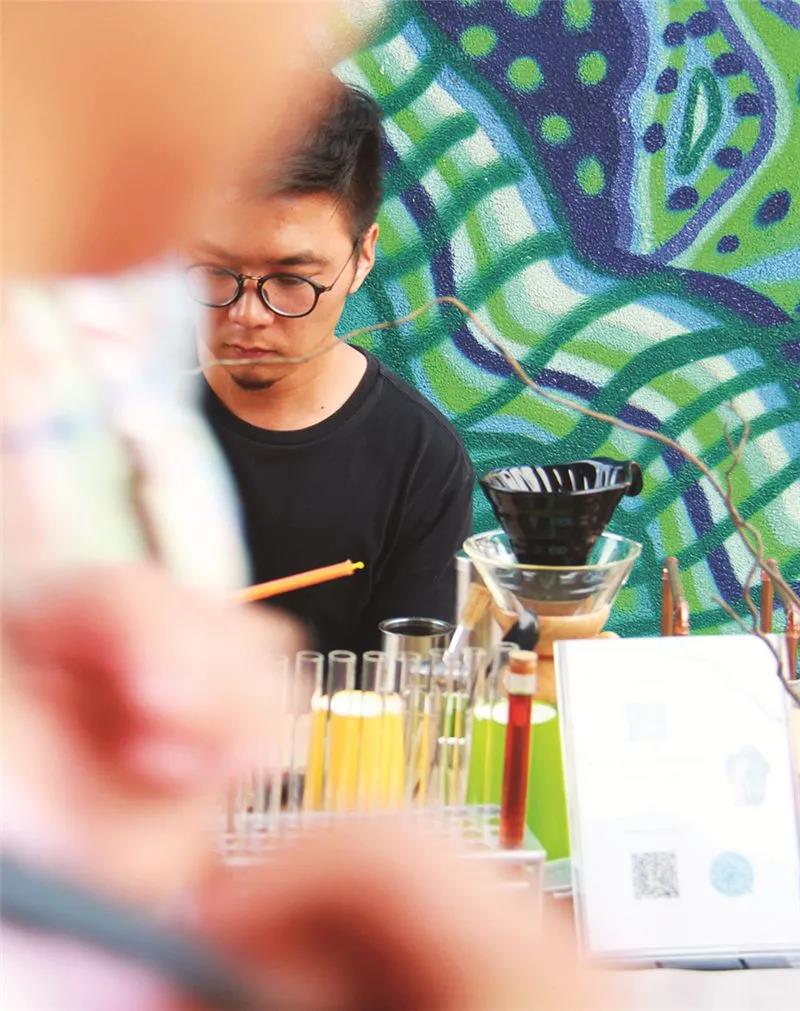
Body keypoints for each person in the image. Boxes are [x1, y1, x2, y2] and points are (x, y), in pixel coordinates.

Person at [190, 81, 475, 656]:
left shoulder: (419, 459)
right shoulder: (122, 417)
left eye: (292, 280)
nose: (248, 315)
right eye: (216, 270)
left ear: (363, 256)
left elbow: (405, 691)